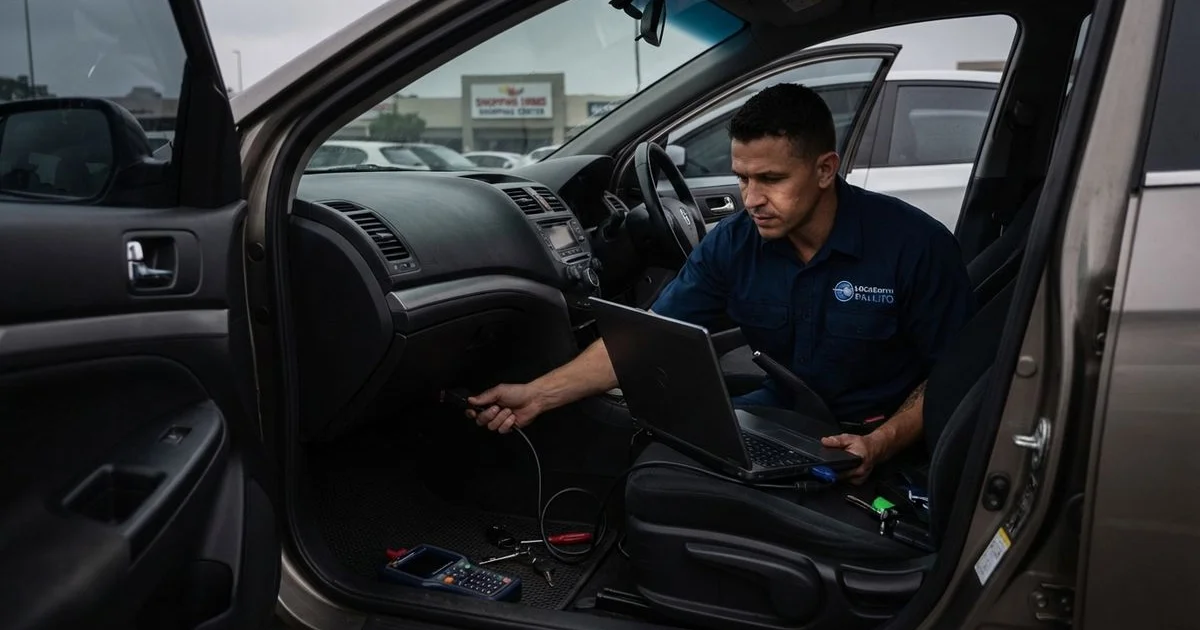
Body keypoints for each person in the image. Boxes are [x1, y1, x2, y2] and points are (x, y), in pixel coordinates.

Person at [466, 83, 974, 483]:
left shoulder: (915, 246)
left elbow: (954, 378)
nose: (751, 198)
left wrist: (881, 443)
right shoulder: (735, 244)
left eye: (771, 180)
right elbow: (642, 340)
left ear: (825, 170)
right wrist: (537, 394)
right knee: (652, 464)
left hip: (879, 433)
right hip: (787, 413)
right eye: (742, 178)